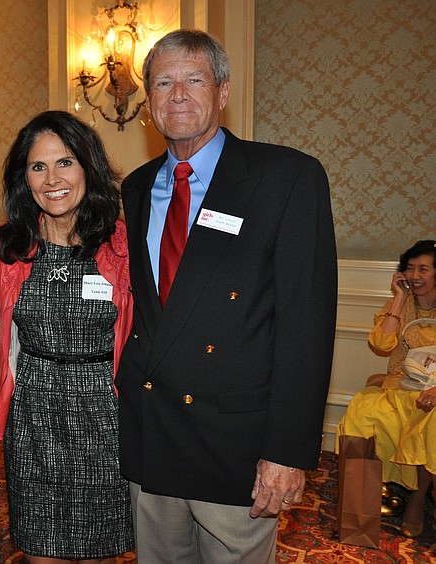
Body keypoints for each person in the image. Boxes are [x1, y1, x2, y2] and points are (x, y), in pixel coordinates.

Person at [118, 29, 337, 563]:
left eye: (194, 80)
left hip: (235, 443)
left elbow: (305, 328)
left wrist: (286, 452)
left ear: (222, 91)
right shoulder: (136, 187)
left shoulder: (286, 178)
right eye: (163, 83)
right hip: (152, 434)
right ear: (149, 102)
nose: (178, 95)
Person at [0, 110, 134, 563]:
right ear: (24, 179)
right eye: (38, 166)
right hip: (32, 415)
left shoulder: (121, 245)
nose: (52, 178)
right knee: (39, 551)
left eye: (65, 162)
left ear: (88, 168)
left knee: (98, 552)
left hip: (104, 415)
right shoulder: (8, 247)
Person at [338, 240, 436, 538]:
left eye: (423, 269)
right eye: (409, 268)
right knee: (361, 418)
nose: (415, 274)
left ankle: (418, 498)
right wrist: (398, 299)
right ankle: (410, 496)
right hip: (400, 388)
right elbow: (381, 345)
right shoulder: (400, 305)